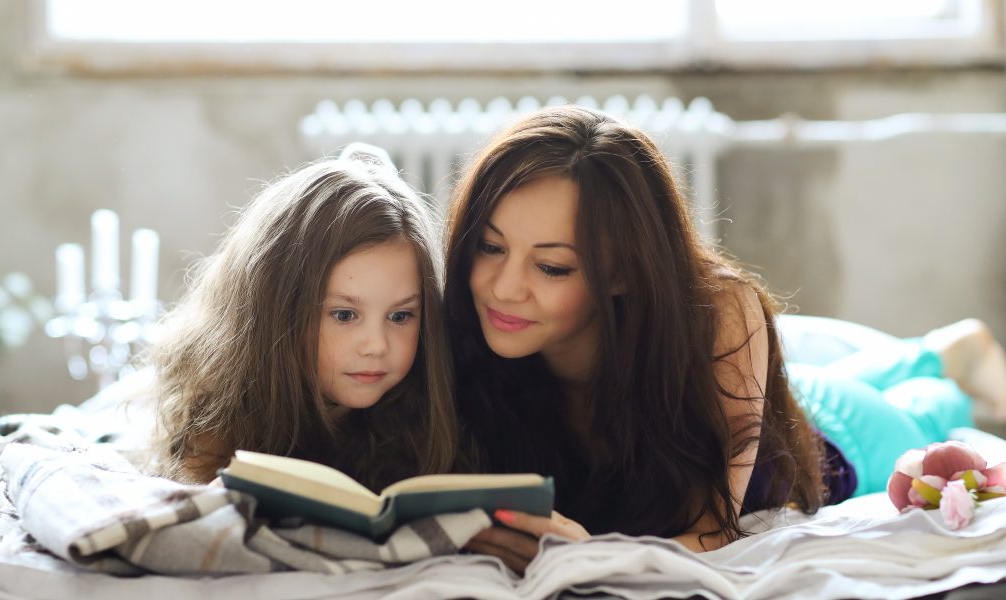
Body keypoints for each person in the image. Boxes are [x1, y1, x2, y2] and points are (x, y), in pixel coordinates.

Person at [441, 106, 1006, 573]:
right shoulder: (468, 335)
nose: (503, 289)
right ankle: (936, 352)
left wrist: (589, 554)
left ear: (622, 273)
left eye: (553, 268)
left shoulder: (721, 308)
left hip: (839, 434)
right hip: (759, 395)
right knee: (819, 371)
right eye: (489, 248)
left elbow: (712, 535)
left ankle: (953, 356)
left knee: (925, 410)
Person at [152, 144, 457, 491]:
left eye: (401, 316)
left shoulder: (427, 409)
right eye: (344, 314)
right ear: (277, 309)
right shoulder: (221, 409)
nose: (376, 345)